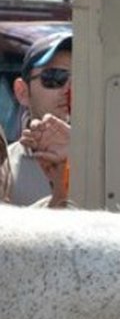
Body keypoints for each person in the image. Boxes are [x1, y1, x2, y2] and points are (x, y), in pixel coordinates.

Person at [8, 31, 72, 207]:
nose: (70, 89)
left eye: (81, 79)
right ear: (22, 92)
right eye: (55, 77)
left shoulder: (111, 162)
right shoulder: (5, 168)